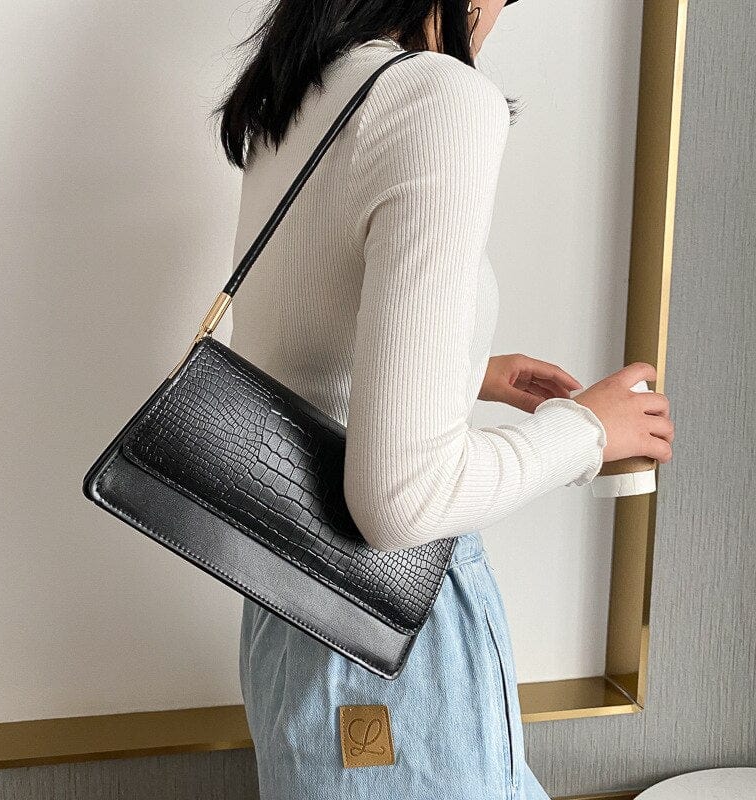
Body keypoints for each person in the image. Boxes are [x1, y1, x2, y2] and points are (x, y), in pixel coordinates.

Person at [212, 1, 675, 797]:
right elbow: (400, 501)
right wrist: (586, 432)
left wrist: (465, 371)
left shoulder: (301, 90)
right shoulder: (438, 97)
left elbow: (296, 346)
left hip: (289, 609)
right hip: (393, 620)